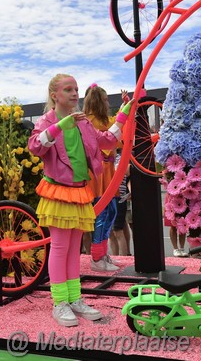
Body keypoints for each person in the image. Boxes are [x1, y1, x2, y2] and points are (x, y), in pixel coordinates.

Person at [28, 73, 131, 327]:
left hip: (80, 190)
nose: (75, 94)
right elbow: (35, 146)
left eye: (76, 89)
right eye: (68, 90)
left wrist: (124, 113)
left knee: (74, 248)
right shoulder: (46, 121)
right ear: (55, 95)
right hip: (58, 191)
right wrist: (59, 127)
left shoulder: (84, 122)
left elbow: (107, 139)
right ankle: (60, 302)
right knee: (61, 246)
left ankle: (74, 298)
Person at [83, 84, 129, 272]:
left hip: (107, 170)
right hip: (98, 172)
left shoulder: (100, 120)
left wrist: (124, 109)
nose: (107, 102)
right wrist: (123, 111)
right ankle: (96, 257)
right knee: (103, 213)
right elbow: (114, 131)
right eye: (105, 99)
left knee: (110, 212)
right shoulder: (88, 121)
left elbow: (116, 125)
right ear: (98, 100)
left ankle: (102, 255)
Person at [110, 151, 132, 256]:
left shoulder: (120, 160)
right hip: (107, 197)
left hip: (118, 197)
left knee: (118, 230)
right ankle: (115, 256)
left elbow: (128, 172)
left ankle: (124, 257)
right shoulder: (104, 159)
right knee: (111, 233)